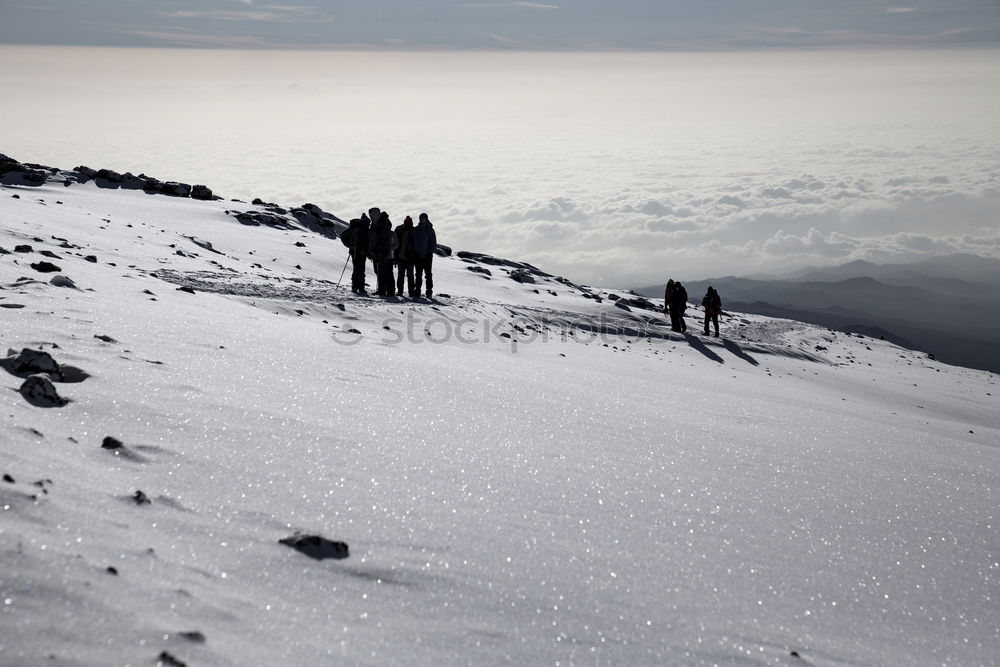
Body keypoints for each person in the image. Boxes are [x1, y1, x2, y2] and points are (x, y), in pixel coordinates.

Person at [368, 211, 397, 297]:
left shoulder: (381, 226)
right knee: (383, 272)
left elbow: (385, 240)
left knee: (385, 272)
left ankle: (386, 291)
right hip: (383, 252)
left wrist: (381, 249)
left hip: (384, 253)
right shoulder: (380, 225)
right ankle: (386, 291)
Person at [411, 212, 437, 299]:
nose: (422, 219)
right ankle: (417, 291)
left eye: (423, 218)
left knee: (428, 275)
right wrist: (413, 253)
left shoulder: (430, 230)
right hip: (417, 256)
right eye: (421, 218)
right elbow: (411, 241)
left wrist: (429, 254)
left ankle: (429, 292)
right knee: (418, 275)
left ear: (426, 219)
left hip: (427, 256)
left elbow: (433, 244)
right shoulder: (416, 229)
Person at [343, 216, 370, 294]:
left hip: (360, 252)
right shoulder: (356, 228)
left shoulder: (363, 229)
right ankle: (357, 287)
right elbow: (343, 236)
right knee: (358, 269)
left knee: (359, 269)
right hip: (356, 251)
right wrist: (350, 245)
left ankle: (359, 287)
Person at [394, 215, 416, 297]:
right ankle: (408, 292)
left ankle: (403, 292)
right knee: (407, 275)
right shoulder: (413, 231)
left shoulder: (399, 230)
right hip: (404, 257)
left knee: (403, 275)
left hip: (407, 257)